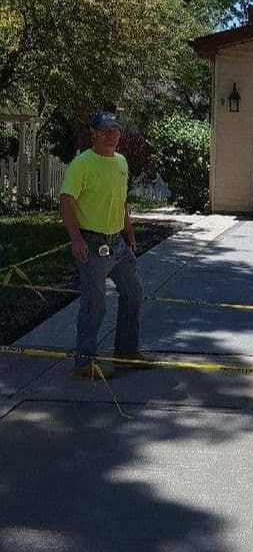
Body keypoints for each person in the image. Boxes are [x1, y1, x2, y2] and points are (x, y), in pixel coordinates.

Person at [59, 111, 145, 378]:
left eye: (115, 130)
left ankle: (126, 352)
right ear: (93, 134)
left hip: (117, 242)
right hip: (92, 242)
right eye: (105, 130)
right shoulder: (82, 164)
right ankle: (84, 363)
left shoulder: (121, 162)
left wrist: (130, 235)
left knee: (133, 292)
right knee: (95, 301)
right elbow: (66, 201)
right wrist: (76, 239)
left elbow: (121, 203)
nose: (111, 135)